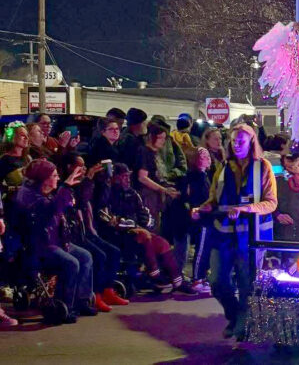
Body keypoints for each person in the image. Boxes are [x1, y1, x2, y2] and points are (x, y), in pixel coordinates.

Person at [193, 123, 277, 341]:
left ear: (251, 142)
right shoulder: (223, 167)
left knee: (246, 283)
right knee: (217, 281)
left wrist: (246, 209)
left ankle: (242, 325)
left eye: (241, 141)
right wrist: (202, 208)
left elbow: (271, 203)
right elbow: (214, 199)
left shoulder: (264, 166)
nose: (236, 144)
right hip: (224, 233)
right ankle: (235, 316)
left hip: (252, 236)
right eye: (233, 140)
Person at [94, 163, 195, 294]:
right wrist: (133, 227)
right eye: (124, 176)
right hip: (118, 234)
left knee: (162, 243)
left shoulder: (133, 193)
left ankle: (178, 282)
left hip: (137, 231)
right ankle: (155, 277)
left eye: (128, 176)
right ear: (115, 177)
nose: (128, 179)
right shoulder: (108, 194)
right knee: (144, 236)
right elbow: (108, 218)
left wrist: (143, 225)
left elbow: (144, 213)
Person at [15, 159, 96, 323]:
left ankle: (81, 301)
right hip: (39, 245)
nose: (58, 178)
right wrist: (65, 187)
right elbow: (50, 210)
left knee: (86, 256)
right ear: (44, 178)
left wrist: (78, 184)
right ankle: (64, 306)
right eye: (54, 175)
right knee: (71, 263)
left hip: (56, 240)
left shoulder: (47, 191)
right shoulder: (28, 195)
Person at [59, 153, 128, 312]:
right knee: (98, 255)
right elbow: (81, 200)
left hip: (86, 229)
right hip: (73, 233)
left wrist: (95, 180)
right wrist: (88, 178)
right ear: (69, 167)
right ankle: (94, 295)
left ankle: (108, 290)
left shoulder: (83, 183)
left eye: (84, 166)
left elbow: (92, 200)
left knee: (114, 252)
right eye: (79, 166)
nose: (83, 169)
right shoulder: (66, 186)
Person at [173, 148, 212, 293]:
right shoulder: (194, 177)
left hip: (204, 216)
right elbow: (191, 197)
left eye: (207, 155)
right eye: (203, 156)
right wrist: (197, 209)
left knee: (204, 248)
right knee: (200, 249)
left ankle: (200, 277)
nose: (207, 158)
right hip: (199, 218)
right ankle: (197, 278)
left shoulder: (204, 176)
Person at [133, 122, 180, 234]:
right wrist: (163, 190)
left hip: (156, 196)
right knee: (151, 226)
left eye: (164, 138)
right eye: (160, 138)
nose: (163, 141)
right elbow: (143, 177)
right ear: (151, 136)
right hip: (148, 196)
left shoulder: (155, 153)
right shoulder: (144, 152)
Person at [0, 124, 33, 190]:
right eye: (22, 135)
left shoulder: (28, 158)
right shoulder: (4, 160)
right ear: (12, 136)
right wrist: (13, 189)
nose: (27, 138)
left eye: (27, 135)